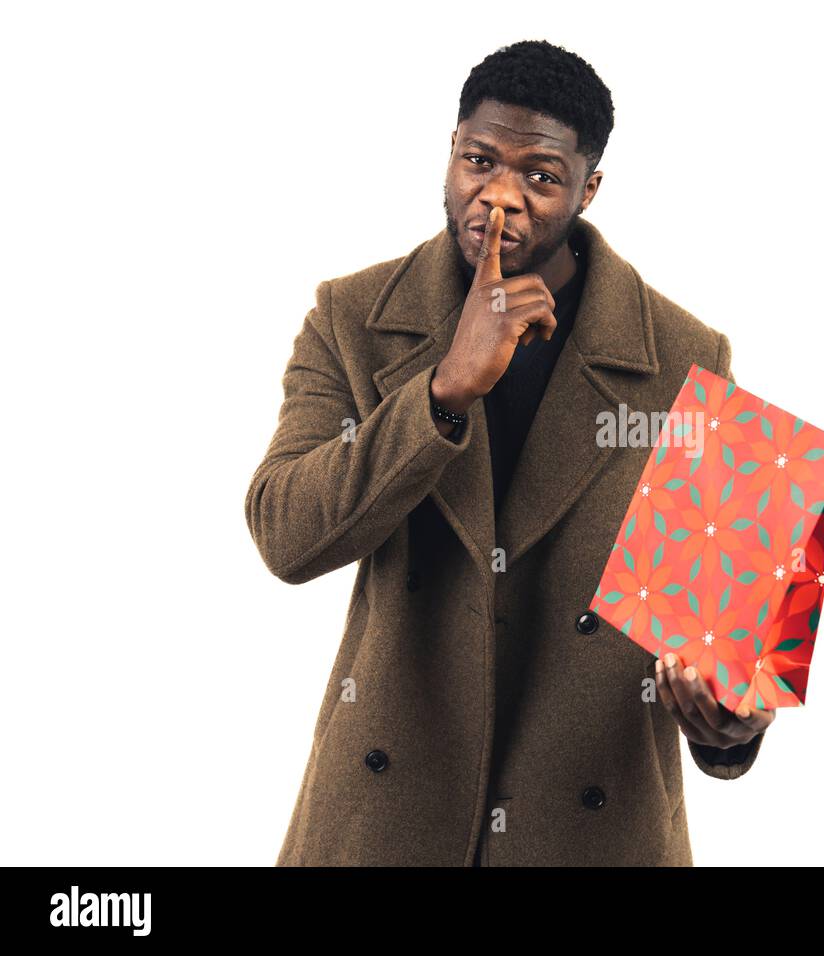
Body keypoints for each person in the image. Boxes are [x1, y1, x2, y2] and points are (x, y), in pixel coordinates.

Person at [246, 39, 773, 867]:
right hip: (388, 819)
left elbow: (722, 636)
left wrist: (731, 723)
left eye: (540, 176)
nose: (498, 196)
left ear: (588, 190)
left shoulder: (684, 357)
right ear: (451, 150)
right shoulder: (352, 317)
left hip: (591, 823)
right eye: (478, 159)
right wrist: (440, 394)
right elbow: (285, 533)